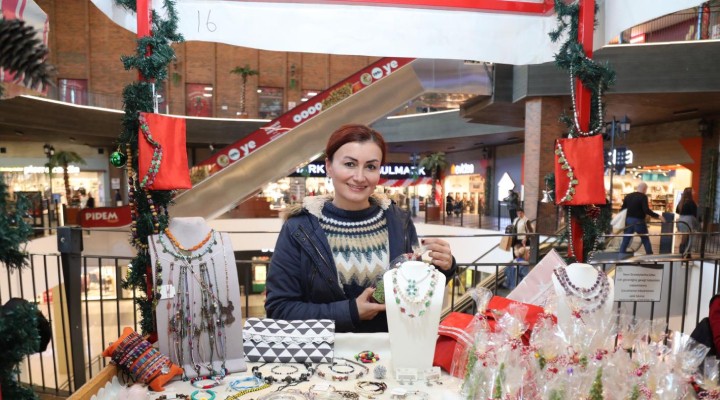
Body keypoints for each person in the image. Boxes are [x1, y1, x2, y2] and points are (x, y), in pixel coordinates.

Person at [265, 124, 457, 333]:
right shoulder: (299, 228)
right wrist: (350, 312)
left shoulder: (398, 221)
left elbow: (413, 293)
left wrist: (442, 269)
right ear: (329, 166)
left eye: (371, 167)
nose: (359, 177)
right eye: (349, 164)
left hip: (390, 348)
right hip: (327, 351)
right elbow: (279, 309)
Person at [619, 182, 666, 255]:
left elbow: (622, 209)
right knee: (645, 239)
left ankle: (621, 255)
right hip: (639, 221)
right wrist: (658, 216)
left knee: (626, 239)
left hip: (629, 220)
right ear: (644, 189)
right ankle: (649, 255)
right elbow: (646, 210)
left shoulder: (628, 196)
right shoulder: (643, 197)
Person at [676, 187, 699, 255]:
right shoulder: (691, 202)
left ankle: (683, 251)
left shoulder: (681, 201)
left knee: (684, 237)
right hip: (688, 221)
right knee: (688, 237)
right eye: (693, 191)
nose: (694, 192)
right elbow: (695, 213)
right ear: (690, 193)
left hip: (681, 220)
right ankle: (686, 252)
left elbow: (677, 211)